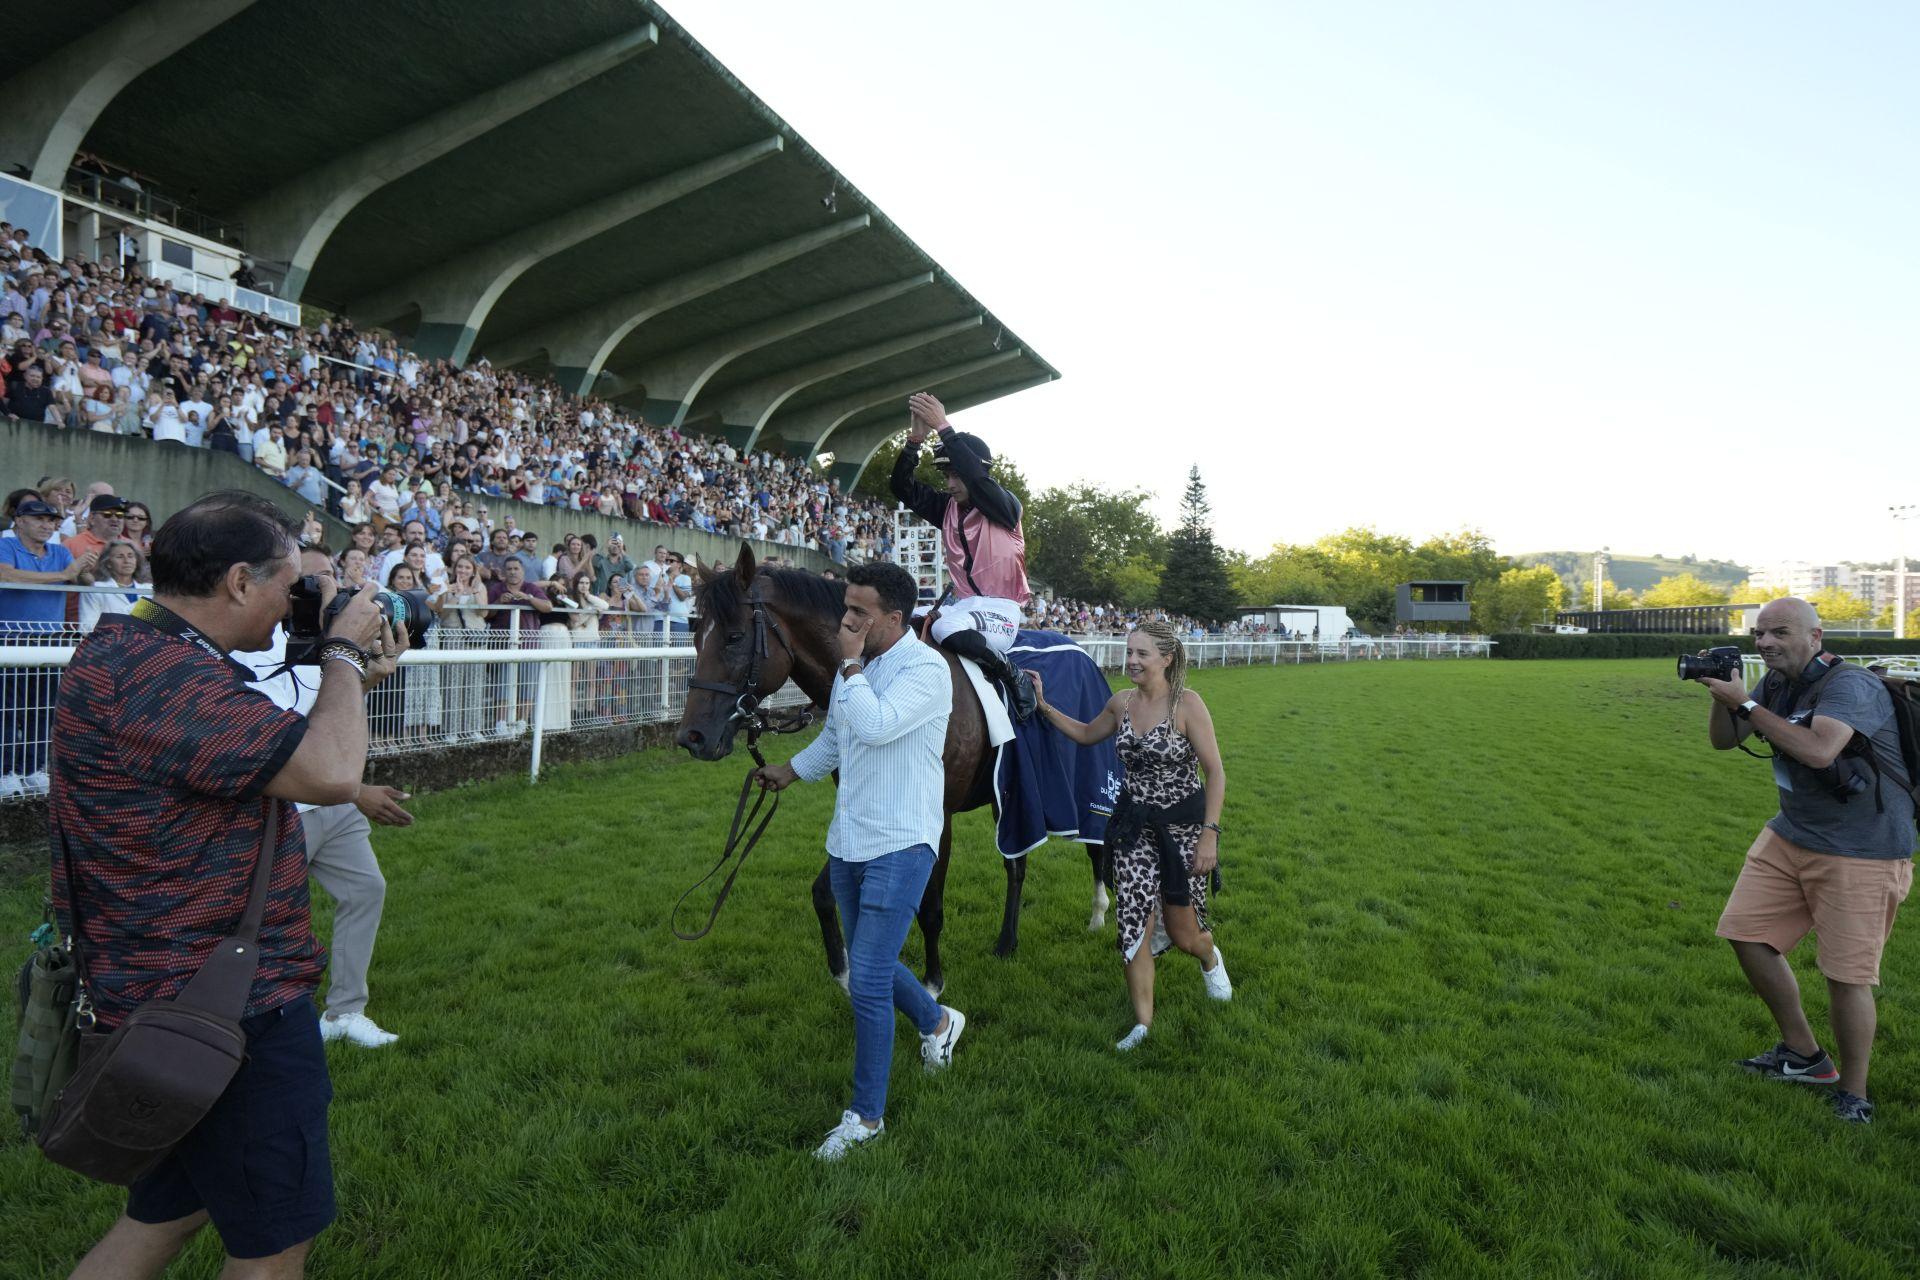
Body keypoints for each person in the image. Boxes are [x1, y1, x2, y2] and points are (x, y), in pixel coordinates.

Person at [51, 490, 402, 1276]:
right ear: (240, 582)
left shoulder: (138, 656)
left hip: (165, 995)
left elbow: (270, 755)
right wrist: (341, 650)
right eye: (288, 584)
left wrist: (353, 677)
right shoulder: (161, 678)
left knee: (164, 1219)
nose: (294, 604)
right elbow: (331, 772)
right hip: (224, 1011)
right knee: (276, 1248)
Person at [752, 561, 965, 1160]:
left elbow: (871, 728)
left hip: (903, 839)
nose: (845, 620)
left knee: (868, 978)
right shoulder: (864, 666)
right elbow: (839, 739)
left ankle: (865, 1118)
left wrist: (847, 665)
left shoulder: (925, 669)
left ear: (894, 619)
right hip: (849, 839)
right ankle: (940, 1023)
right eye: (845, 607)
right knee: (869, 961)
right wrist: (789, 771)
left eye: (859, 613)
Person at [1694, 596, 1915, 1124]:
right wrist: (1725, 695)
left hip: (1861, 850)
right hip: (1792, 833)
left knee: (1846, 976)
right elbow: (1725, 742)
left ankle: (1854, 1095)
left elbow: (1820, 751)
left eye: (1780, 633)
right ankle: (1805, 1056)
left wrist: (1747, 706)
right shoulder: (1774, 683)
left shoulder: (1849, 685)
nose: (1766, 643)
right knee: (1746, 934)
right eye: (1759, 635)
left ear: (1815, 637)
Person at [1027, 619, 1231, 1051]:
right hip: (1133, 830)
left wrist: (1209, 834)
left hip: (1181, 831)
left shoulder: (1188, 705)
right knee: (1133, 921)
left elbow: (1215, 771)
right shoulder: (1120, 703)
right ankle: (1143, 1024)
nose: (1132, 660)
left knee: (1184, 934)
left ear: (1167, 658)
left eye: (1142, 653)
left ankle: (1210, 958)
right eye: (1129, 651)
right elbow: (1085, 734)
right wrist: (1044, 706)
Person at [238, 544, 410, 1049]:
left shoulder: (336, 644)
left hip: (333, 804)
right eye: (314, 583)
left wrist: (367, 680)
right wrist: (357, 791)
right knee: (257, 922)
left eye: (332, 579)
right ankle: (237, 1019)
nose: (329, 593)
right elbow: (281, 745)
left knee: (366, 891)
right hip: (283, 809)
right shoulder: (256, 643)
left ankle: (343, 1013)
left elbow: (336, 721)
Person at [890, 391, 1037, 718]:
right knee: (898, 620)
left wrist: (943, 426)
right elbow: (902, 487)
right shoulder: (947, 508)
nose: (951, 483)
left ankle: (1012, 675)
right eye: (947, 475)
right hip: (964, 605)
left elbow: (979, 480)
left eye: (957, 474)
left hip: (1001, 610)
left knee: (945, 629)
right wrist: (914, 441)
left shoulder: (1005, 507)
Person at [0, 498, 97, 798]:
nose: (47, 525)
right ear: (20, 521)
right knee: (7, 710)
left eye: (52, 520)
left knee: (41, 710)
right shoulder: (6, 546)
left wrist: (85, 569)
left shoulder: (58, 550)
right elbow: (7, 575)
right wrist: (66, 574)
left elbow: (84, 581)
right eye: (39, 519)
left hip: (50, 637)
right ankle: (5, 772)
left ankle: (33, 769)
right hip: (10, 638)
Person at [78, 539, 147, 633]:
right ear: (108, 563)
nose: (127, 561)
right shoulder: (95, 589)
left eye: (131, 556)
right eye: (120, 557)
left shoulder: (149, 590)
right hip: (107, 645)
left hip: (144, 645)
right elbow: (87, 628)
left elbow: (157, 627)